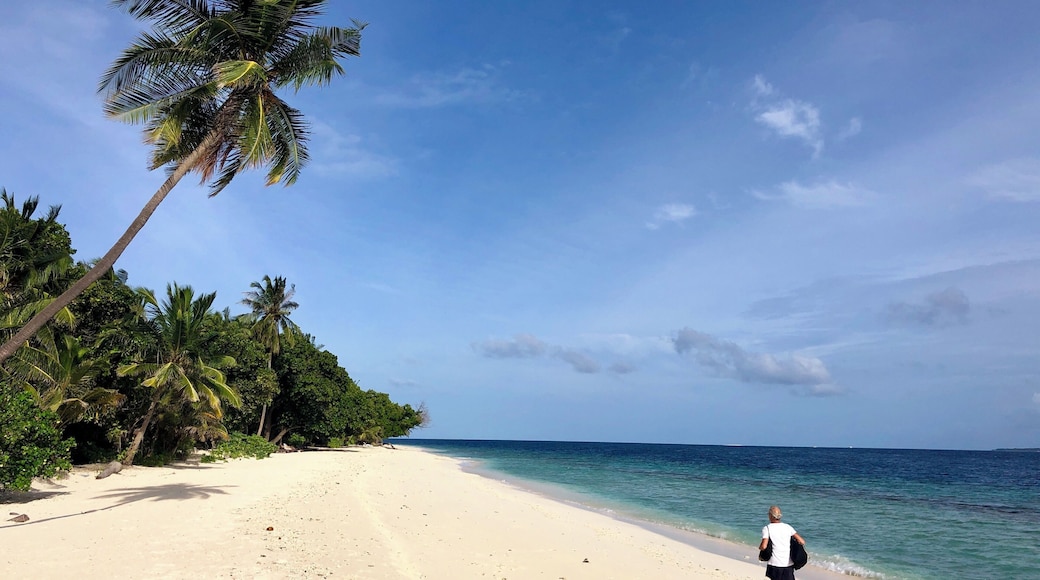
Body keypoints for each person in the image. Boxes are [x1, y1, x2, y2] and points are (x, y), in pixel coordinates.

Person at [759, 505, 806, 580]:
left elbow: (764, 546)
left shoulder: (767, 528)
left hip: (774, 563)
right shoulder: (787, 527)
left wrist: (760, 547)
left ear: (770, 516)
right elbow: (802, 541)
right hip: (788, 563)